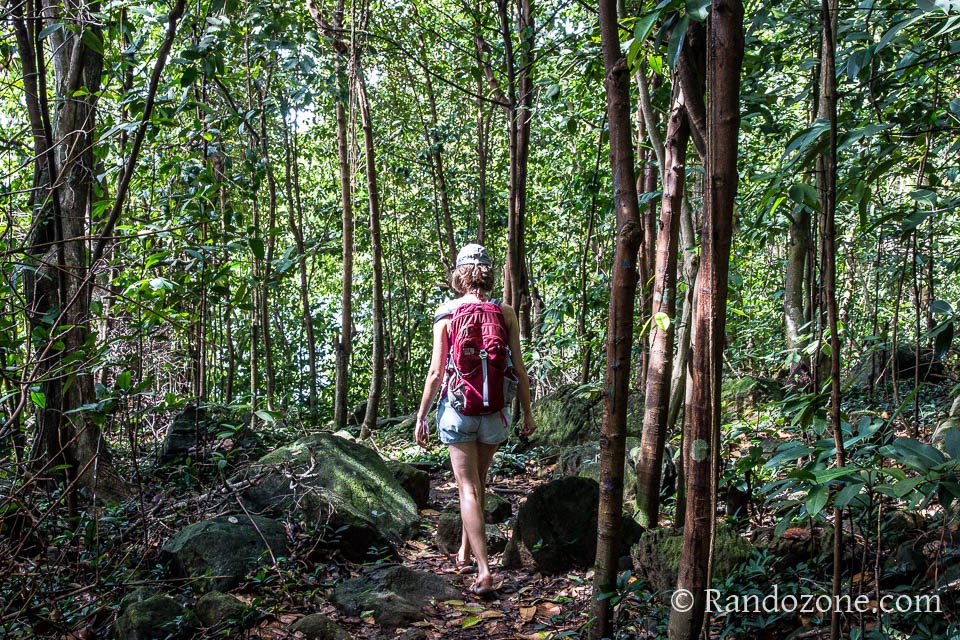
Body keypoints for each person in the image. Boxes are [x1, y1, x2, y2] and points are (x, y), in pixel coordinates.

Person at [414, 244, 535, 596]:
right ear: (489, 274)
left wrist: (422, 415)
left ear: (459, 275)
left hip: (458, 409)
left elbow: (436, 371)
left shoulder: (447, 312)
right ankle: (465, 552)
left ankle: (483, 571)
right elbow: (520, 370)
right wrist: (528, 413)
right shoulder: (506, 312)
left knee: (467, 489)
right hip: (494, 412)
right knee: (478, 486)